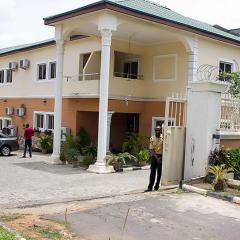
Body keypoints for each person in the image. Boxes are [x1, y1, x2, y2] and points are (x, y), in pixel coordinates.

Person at [145, 125, 164, 192]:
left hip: (161, 157)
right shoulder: (152, 138)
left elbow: (165, 149)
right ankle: (150, 187)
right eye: (156, 130)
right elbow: (151, 150)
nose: (157, 131)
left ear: (161, 130)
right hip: (154, 157)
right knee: (152, 173)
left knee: (159, 173)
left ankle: (157, 186)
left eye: (158, 130)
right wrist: (157, 158)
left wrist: (161, 158)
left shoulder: (163, 138)